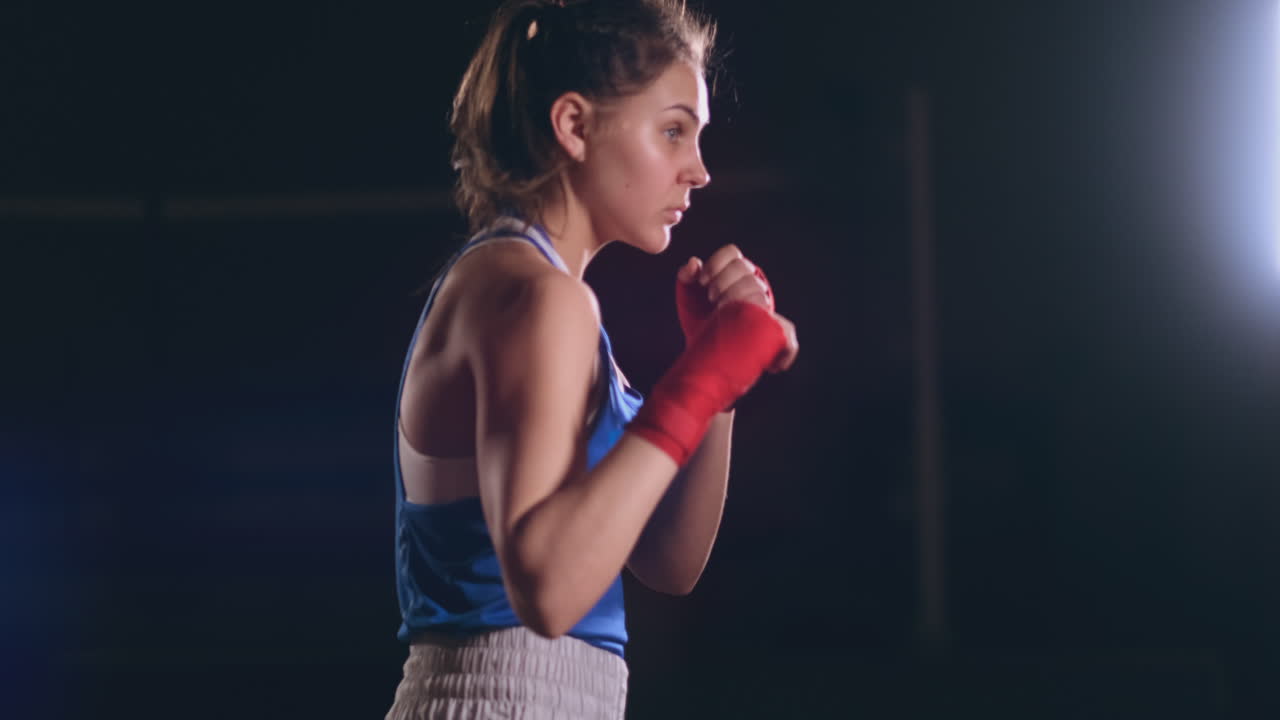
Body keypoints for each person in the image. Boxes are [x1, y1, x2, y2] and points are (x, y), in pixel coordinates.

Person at [385, 1, 799, 717]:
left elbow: (668, 561)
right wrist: (700, 383)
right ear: (574, 125)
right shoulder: (536, 297)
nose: (698, 170)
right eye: (673, 130)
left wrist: (716, 388)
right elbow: (547, 589)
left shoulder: (540, 294)